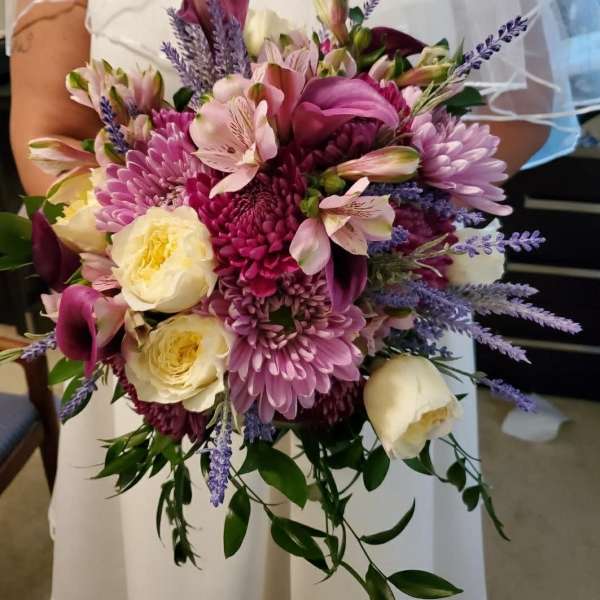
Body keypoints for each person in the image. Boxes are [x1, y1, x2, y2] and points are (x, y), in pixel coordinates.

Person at [6, 1, 598, 599]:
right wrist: (175, 279)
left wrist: (379, 238)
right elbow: (47, 124)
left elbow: (523, 113)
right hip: (161, 328)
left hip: (387, 323)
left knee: (369, 534)